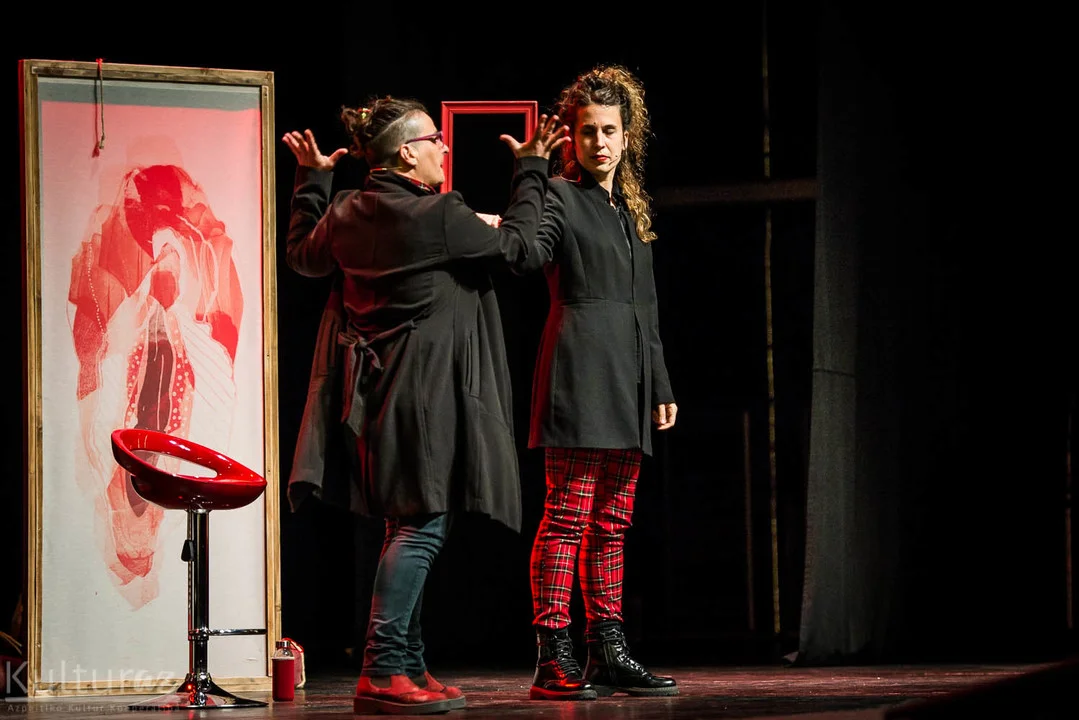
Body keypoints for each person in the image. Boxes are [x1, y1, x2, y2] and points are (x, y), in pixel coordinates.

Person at [282, 96, 568, 715]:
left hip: (373, 397)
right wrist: (532, 169)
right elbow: (521, 249)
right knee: (422, 526)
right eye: (435, 139)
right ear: (408, 154)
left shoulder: (346, 211)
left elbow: (302, 255)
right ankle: (383, 668)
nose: (444, 146)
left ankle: (407, 661)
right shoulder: (439, 214)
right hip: (424, 395)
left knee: (404, 521)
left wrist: (312, 180)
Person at [520, 65, 679, 700]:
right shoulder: (560, 196)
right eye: (588, 131)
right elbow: (529, 253)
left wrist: (659, 383)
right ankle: (551, 655)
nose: (600, 142)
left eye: (609, 131)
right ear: (572, 137)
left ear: (626, 135)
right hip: (580, 369)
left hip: (628, 375)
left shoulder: (630, 208)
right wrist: (530, 175)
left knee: (612, 521)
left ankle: (607, 650)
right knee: (567, 515)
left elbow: (648, 304)